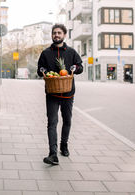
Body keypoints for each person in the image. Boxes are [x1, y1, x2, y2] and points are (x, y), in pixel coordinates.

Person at [37, 23, 83, 165]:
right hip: (52, 93)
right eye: (54, 33)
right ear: (52, 35)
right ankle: (52, 153)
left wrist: (75, 68)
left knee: (67, 121)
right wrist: (43, 70)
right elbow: (39, 70)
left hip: (68, 93)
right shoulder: (45, 53)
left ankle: (64, 145)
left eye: (59, 33)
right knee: (52, 122)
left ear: (64, 35)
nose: (56, 35)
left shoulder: (71, 52)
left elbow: (80, 67)